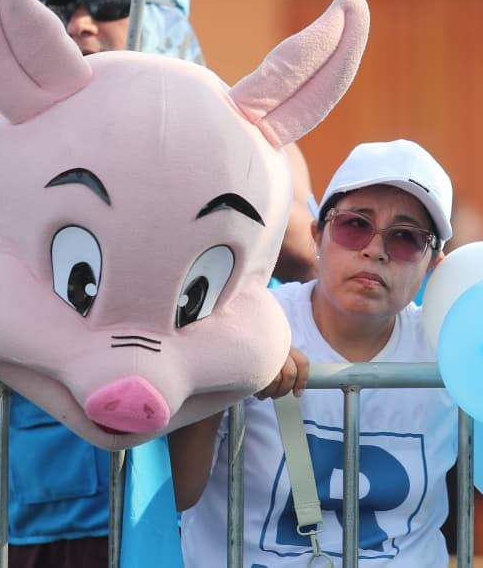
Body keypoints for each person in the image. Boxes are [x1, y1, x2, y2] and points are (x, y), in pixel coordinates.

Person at [0, 0, 320, 567]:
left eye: (108, 3)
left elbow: (301, 253)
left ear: (169, 18)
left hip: (170, 503)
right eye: (60, 7)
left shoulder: (243, 137)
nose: (80, 22)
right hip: (38, 507)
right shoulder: (21, 140)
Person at [173, 138, 459, 566]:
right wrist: (234, 368)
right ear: (317, 235)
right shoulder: (245, 321)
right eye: (355, 225)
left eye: (405, 238)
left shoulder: (452, 346)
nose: (374, 249)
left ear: (433, 263)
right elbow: (179, 492)